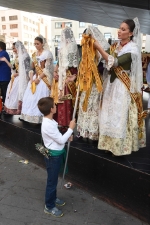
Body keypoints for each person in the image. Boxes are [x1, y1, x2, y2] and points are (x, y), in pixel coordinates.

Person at [94, 18, 147, 156]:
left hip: (122, 87)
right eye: (119, 28)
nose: (119, 31)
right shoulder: (115, 46)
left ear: (130, 34)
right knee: (108, 114)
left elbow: (116, 62)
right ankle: (107, 144)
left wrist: (98, 47)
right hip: (111, 85)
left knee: (119, 116)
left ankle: (118, 148)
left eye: (123, 29)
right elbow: (107, 63)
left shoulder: (133, 49)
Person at [38, 97, 76, 217]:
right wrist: (70, 129)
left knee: (53, 179)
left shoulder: (50, 121)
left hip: (55, 153)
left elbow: (58, 137)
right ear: (51, 109)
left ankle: (53, 198)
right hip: (53, 157)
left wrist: (67, 135)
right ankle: (49, 206)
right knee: (52, 181)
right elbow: (60, 140)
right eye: (55, 105)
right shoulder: (48, 124)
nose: (56, 106)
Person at [77, 26, 109, 140]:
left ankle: (94, 133)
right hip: (87, 84)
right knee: (84, 105)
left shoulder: (103, 48)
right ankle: (84, 130)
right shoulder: (85, 49)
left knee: (94, 106)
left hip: (97, 84)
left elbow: (105, 66)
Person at [20, 35, 54, 123]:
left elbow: (47, 69)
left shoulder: (47, 54)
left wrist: (39, 78)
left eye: (37, 44)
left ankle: (41, 118)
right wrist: (31, 79)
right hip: (35, 77)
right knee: (30, 97)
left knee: (41, 97)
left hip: (43, 78)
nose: (36, 45)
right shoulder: (34, 54)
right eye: (34, 44)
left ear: (42, 44)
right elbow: (33, 68)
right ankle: (28, 116)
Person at [51, 27, 78, 130]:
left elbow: (73, 64)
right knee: (59, 99)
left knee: (66, 99)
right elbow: (59, 61)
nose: (61, 38)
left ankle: (67, 123)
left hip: (68, 75)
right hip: (61, 75)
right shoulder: (63, 47)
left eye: (62, 36)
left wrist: (69, 76)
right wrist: (55, 71)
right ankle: (60, 122)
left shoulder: (72, 46)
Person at [4, 41, 30, 114]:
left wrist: (18, 74)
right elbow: (14, 67)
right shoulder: (17, 56)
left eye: (14, 48)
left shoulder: (25, 56)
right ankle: (11, 110)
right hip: (16, 77)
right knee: (12, 92)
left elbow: (27, 70)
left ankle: (21, 111)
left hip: (23, 79)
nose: (13, 50)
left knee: (20, 93)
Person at [0, 41, 11, 105]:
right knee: (3, 93)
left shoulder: (3, 53)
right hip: (2, 77)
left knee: (5, 93)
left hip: (4, 77)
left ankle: (5, 106)